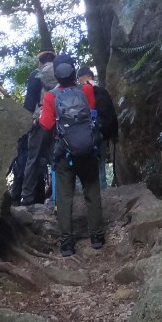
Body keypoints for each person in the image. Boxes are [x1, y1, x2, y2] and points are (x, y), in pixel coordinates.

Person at [40, 53, 104, 256]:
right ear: (74, 70)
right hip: (87, 150)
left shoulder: (51, 96)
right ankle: (97, 236)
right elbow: (92, 113)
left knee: (65, 197)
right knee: (92, 191)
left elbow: (46, 124)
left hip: (64, 154)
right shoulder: (86, 90)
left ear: (56, 74)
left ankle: (67, 243)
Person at [14, 49, 57, 206]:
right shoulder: (60, 73)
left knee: (32, 159)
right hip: (57, 121)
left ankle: (27, 198)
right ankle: (57, 197)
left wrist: (26, 123)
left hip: (39, 121)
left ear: (40, 61)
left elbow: (29, 102)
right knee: (56, 160)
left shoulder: (36, 75)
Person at [77, 67, 118, 188]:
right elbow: (112, 114)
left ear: (82, 77)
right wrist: (114, 135)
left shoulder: (81, 91)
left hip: (86, 134)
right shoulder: (103, 91)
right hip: (102, 133)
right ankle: (103, 192)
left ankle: (87, 195)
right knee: (100, 165)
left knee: (84, 166)